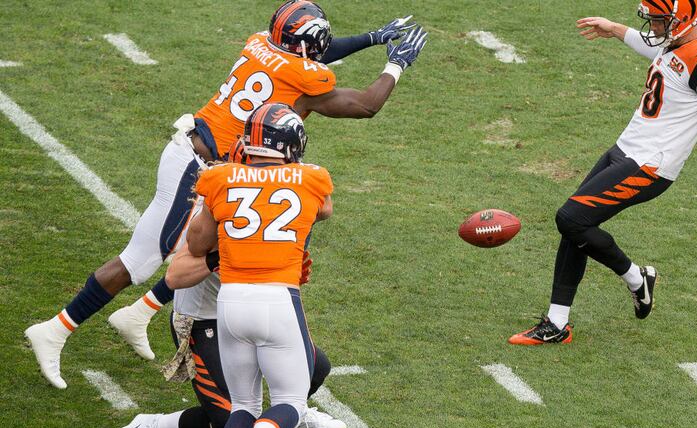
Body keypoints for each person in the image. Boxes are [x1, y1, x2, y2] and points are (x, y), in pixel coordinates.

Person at [25, 0, 428, 389]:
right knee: (147, 258)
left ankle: (138, 313)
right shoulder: (307, 80)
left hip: (213, 162)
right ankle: (56, 330)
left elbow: (313, 51)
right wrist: (396, 63)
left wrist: (373, 36)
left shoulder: (260, 43)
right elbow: (364, 105)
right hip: (195, 164)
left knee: (220, 247)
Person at [509, 0, 697, 345]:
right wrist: (615, 29)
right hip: (626, 150)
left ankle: (637, 279)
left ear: (680, 20)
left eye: (657, 19)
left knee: (572, 219)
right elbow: (657, 52)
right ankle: (557, 323)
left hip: (650, 165)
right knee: (578, 223)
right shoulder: (681, 39)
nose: (651, 26)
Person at [186, 103, 333, 428]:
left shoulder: (220, 178)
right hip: (278, 299)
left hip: (231, 302)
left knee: (243, 406)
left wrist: (224, 195)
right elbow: (323, 210)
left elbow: (196, 245)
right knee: (291, 404)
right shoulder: (311, 177)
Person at [116, 246, 345, 428]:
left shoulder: (283, 206)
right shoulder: (219, 210)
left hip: (253, 309)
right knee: (228, 423)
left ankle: (293, 413)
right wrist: (222, 256)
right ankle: (155, 425)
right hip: (203, 320)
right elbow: (175, 276)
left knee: (317, 368)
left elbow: (323, 210)